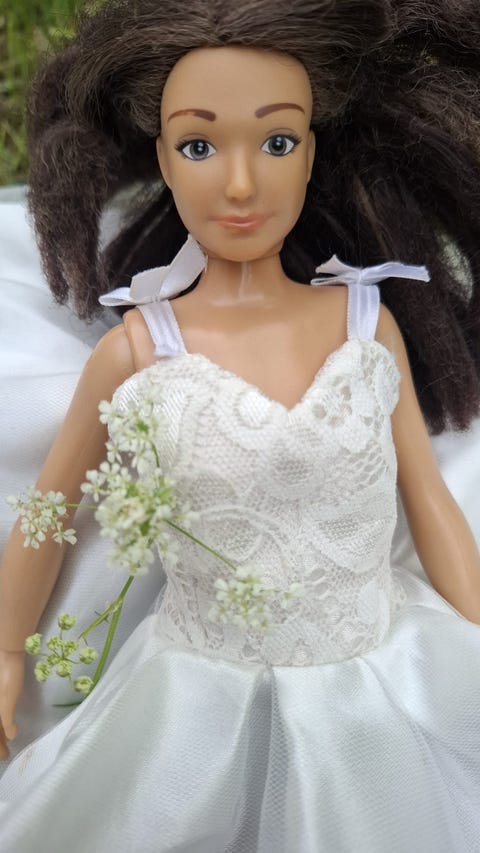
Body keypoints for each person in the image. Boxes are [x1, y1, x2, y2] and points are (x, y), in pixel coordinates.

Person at [1, 1, 480, 850]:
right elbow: (50, 508)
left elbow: (431, 500)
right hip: (194, 703)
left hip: (381, 682)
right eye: (199, 146)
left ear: (311, 155)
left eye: (277, 140)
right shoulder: (138, 351)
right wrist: (7, 650)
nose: (240, 184)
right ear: (162, 159)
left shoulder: (367, 325)